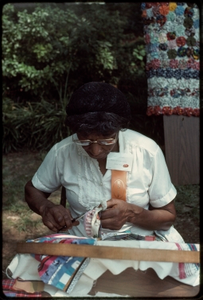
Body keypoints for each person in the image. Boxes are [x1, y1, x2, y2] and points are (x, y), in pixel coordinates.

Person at [25, 81, 182, 241]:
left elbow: (168, 218)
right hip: (83, 245)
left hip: (139, 245)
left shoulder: (146, 151)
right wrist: (46, 208)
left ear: (118, 130)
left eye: (106, 141)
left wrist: (132, 214)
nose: (95, 151)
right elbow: (33, 190)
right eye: (84, 141)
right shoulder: (63, 151)